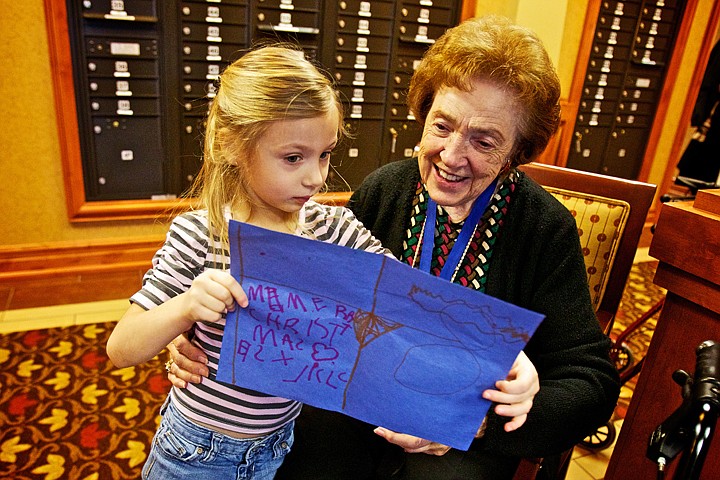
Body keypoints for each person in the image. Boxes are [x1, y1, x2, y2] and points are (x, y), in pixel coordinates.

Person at [167, 15, 621, 480]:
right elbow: (294, 295)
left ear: (517, 151)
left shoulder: (543, 227)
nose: (450, 155)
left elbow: (591, 382)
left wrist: (481, 423)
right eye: (442, 126)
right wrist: (202, 333)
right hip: (358, 401)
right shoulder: (385, 190)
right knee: (307, 451)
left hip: (464, 427)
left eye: (483, 142)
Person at [105, 45, 395, 479]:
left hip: (277, 445)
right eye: (293, 158)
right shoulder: (200, 235)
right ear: (232, 145)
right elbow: (122, 348)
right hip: (195, 451)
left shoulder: (328, 227)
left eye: (325, 154)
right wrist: (184, 307)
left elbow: (403, 290)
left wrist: (505, 359)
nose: (316, 177)